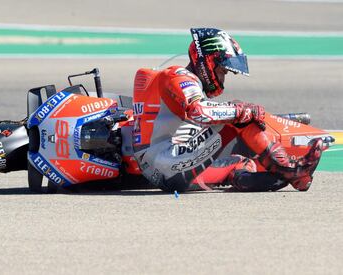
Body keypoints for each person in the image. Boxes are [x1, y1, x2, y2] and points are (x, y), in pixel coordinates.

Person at [131, 27, 323, 192]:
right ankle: (290, 169)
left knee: (242, 163)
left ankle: (282, 177)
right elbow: (200, 111)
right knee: (239, 115)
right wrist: (242, 111)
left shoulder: (179, 83)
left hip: (160, 167)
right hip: (166, 162)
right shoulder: (177, 76)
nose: (223, 79)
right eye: (222, 71)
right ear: (208, 61)